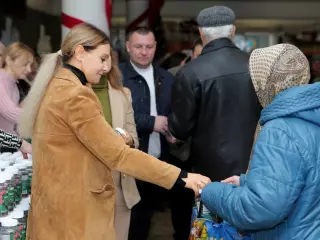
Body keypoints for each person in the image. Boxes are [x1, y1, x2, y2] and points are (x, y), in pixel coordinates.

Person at [18, 23, 210, 240]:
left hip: (59, 208)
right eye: (101, 58)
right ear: (80, 53)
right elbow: (119, 156)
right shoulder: (75, 95)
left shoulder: (59, 85)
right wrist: (181, 177)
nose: (106, 67)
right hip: (74, 214)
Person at [201, 44, 319, 239]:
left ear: (268, 81)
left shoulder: (280, 129)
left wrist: (211, 191)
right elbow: (307, 179)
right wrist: (248, 182)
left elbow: (258, 211)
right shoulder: (311, 114)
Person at [168, 6, 261, 182]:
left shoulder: (189, 72)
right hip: (255, 164)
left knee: (212, 209)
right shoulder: (257, 65)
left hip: (208, 170)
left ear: (201, 33)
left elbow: (179, 129)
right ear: (233, 30)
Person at [119, 27, 195, 240]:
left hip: (159, 159)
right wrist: (152, 122)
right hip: (128, 160)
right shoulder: (117, 76)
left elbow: (174, 112)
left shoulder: (166, 77)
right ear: (128, 47)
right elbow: (113, 119)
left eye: (149, 47)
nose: (144, 52)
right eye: (138, 47)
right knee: (128, 221)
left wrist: (172, 130)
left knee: (145, 218)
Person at [92, 63, 140, 240]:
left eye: (107, 58)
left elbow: (134, 139)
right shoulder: (72, 94)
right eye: (100, 58)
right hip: (84, 182)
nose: (103, 64)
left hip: (119, 181)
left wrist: (128, 140)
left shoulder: (123, 94)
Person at [0, 42, 34, 135]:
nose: (29, 70)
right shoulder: (1, 81)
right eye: (25, 64)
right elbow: (12, 113)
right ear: (9, 60)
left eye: (30, 65)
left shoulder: (13, 83)